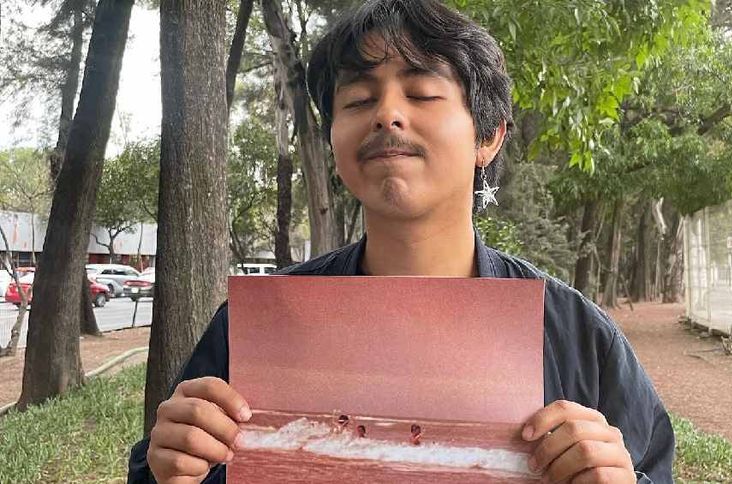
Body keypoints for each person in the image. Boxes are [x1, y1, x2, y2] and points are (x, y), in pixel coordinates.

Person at [128, 1, 674, 483]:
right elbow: (175, 470)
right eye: (358, 100)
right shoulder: (252, 330)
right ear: (334, 139)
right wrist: (166, 471)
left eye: (422, 93)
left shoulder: (580, 338)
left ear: (488, 135)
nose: (387, 114)